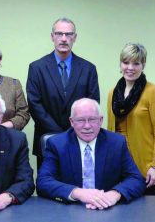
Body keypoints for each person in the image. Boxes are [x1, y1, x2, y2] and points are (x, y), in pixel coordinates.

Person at [36, 98, 145, 210]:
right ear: (72, 122)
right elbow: (43, 182)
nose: (87, 126)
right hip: (70, 210)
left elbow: (136, 179)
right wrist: (77, 193)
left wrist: (115, 194)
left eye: (92, 119)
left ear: (100, 120)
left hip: (107, 209)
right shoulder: (57, 144)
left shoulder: (116, 142)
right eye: (80, 120)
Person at [26, 17, 100, 169]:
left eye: (68, 34)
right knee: (48, 187)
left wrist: (75, 131)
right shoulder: (37, 67)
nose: (64, 39)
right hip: (47, 139)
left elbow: (93, 104)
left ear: (75, 37)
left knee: (78, 188)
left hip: (80, 138)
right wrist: (59, 135)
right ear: (52, 36)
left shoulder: (88, 68)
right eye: (59, 34)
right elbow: (34, 104)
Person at [107, 43, 155, 195]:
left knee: (147, 216)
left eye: (136, 63)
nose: (130, 68)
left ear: (143, 65)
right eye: (126, 62)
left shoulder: (153, 92)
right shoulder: (112, 93)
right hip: (119, 166)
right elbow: (110, 131)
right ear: (120, 64)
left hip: (146, 168)